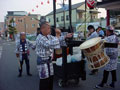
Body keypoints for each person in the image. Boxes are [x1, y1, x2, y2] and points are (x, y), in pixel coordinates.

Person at [35, 21, 72, 90]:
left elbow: (56, 40)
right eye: (48, 28)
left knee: (50, 79)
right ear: (42, 29)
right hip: (42, 61)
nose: (50, 30)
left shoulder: (48, 36)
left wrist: (65, 36)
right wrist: (58, 34)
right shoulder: (40, 38)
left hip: (49, 60)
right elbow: (50, 44)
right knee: (44, 81)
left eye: (50, 28)